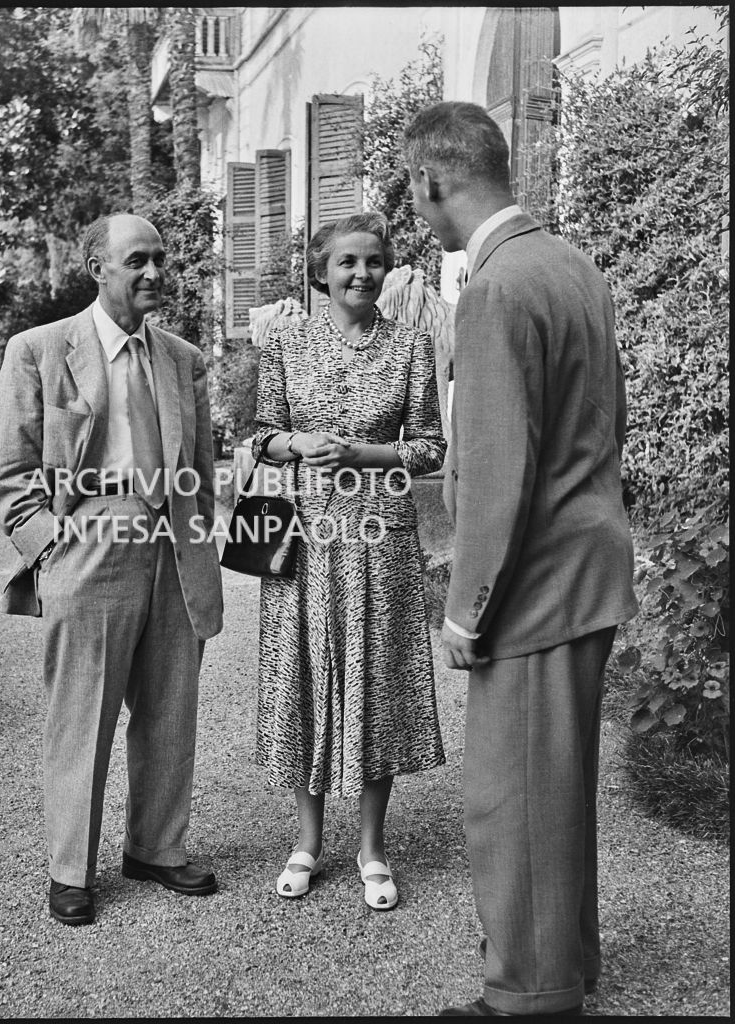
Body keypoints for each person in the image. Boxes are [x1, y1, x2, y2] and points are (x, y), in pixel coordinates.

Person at [403, 101, 638, 1016]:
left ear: (432, 180)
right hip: (586, 562)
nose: (412, 203)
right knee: (558, 783)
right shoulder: (572, 263)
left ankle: (532, 995)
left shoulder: (496, 286)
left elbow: (499, 471)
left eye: (411, 187)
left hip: (536, 581)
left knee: (514, 795)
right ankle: (565, 961)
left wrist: (466, 608)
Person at [0, 213, 224, 926]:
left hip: (174, 549)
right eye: (137, 261)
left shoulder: (182, 357)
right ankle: (70, 869)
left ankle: (155, 846)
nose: (155, 272)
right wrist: (51, 548)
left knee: (169, 709)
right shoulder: (39, 350)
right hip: (87, 546)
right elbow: (10, 472)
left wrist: (199, 533)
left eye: (159, 259)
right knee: (80, 716)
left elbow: (202, 470)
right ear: (97, 267)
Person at [251, 211, 447, 911]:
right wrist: (298, 444)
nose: (361, 274)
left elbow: (429, 445)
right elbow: (258, 437)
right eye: (347, 263)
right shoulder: (285, 342)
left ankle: (371, 845)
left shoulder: (412, 346)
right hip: (304, 535)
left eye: (372, 262)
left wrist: (363, 453)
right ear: (321, 272)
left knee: (373, 678)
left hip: (381, 535)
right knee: (306, 674)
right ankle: (306, 842)